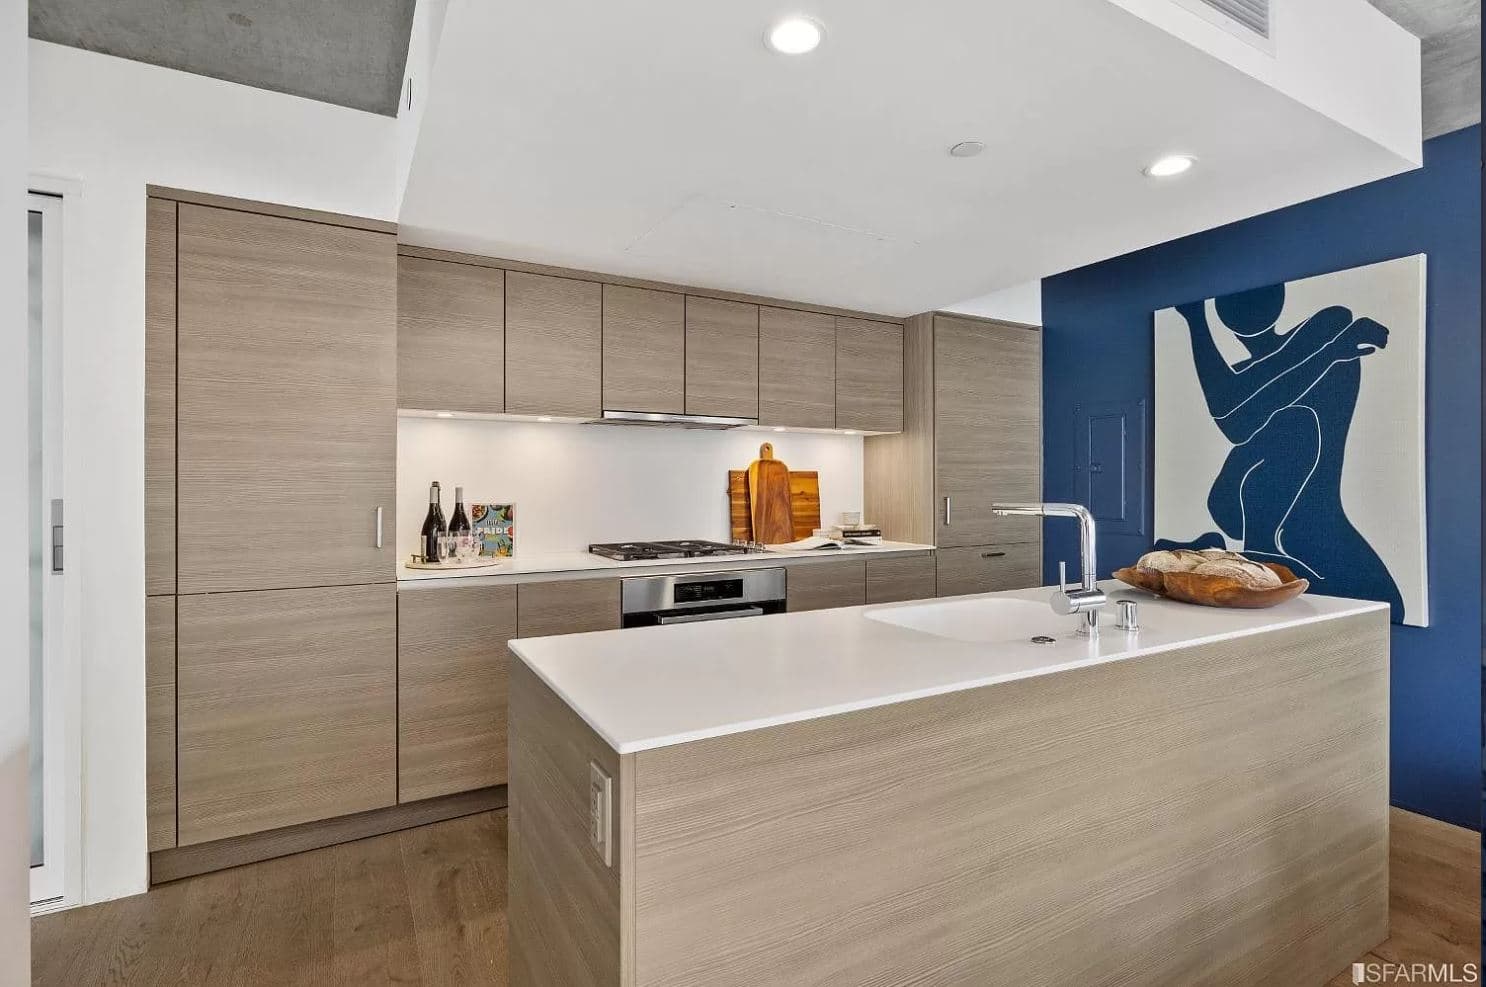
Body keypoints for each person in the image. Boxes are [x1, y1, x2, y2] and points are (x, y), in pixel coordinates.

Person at [1157, 282, 1404, 621]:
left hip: (1309, 515)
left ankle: (1223, 550)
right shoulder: (1253, 376)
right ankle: (1257, 547)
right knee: (1296, 423)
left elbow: (1232, 411)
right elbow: (1232, 418)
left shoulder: (1330, 326)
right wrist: (1196, 321)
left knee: (1387, 607)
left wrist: (1196, 321)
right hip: (1249, 502)